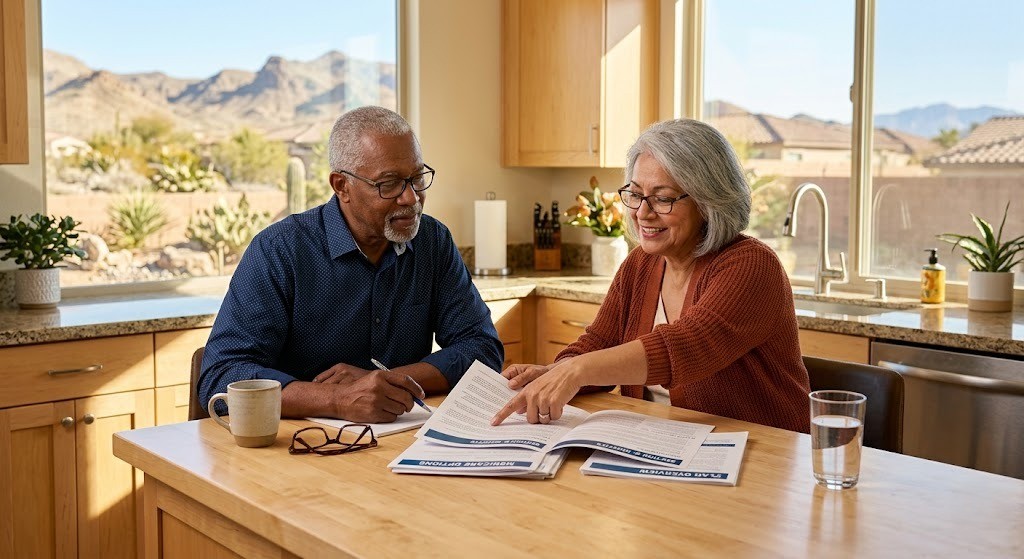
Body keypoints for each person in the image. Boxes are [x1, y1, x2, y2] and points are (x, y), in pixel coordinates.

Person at [492, 118, 810, 432]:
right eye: (635, 194)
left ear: (708, 202)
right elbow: (600, 343)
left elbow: (686, 347)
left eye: (662, 198)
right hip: (662, 440)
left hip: (762, 452)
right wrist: (553, 373)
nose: (643, 212)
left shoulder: (751, 265)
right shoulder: (641, 264)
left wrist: (575, 371)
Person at [201, 106, 504, 423]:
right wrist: (335, 400)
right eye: (389, 184)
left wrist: (381, 385)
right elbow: (222, 376)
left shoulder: (433, 241)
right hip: (298, 448)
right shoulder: (279, 250)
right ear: (341, 186)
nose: (411, 198)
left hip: (399, 440)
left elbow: (483, 349)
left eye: (416, 178)